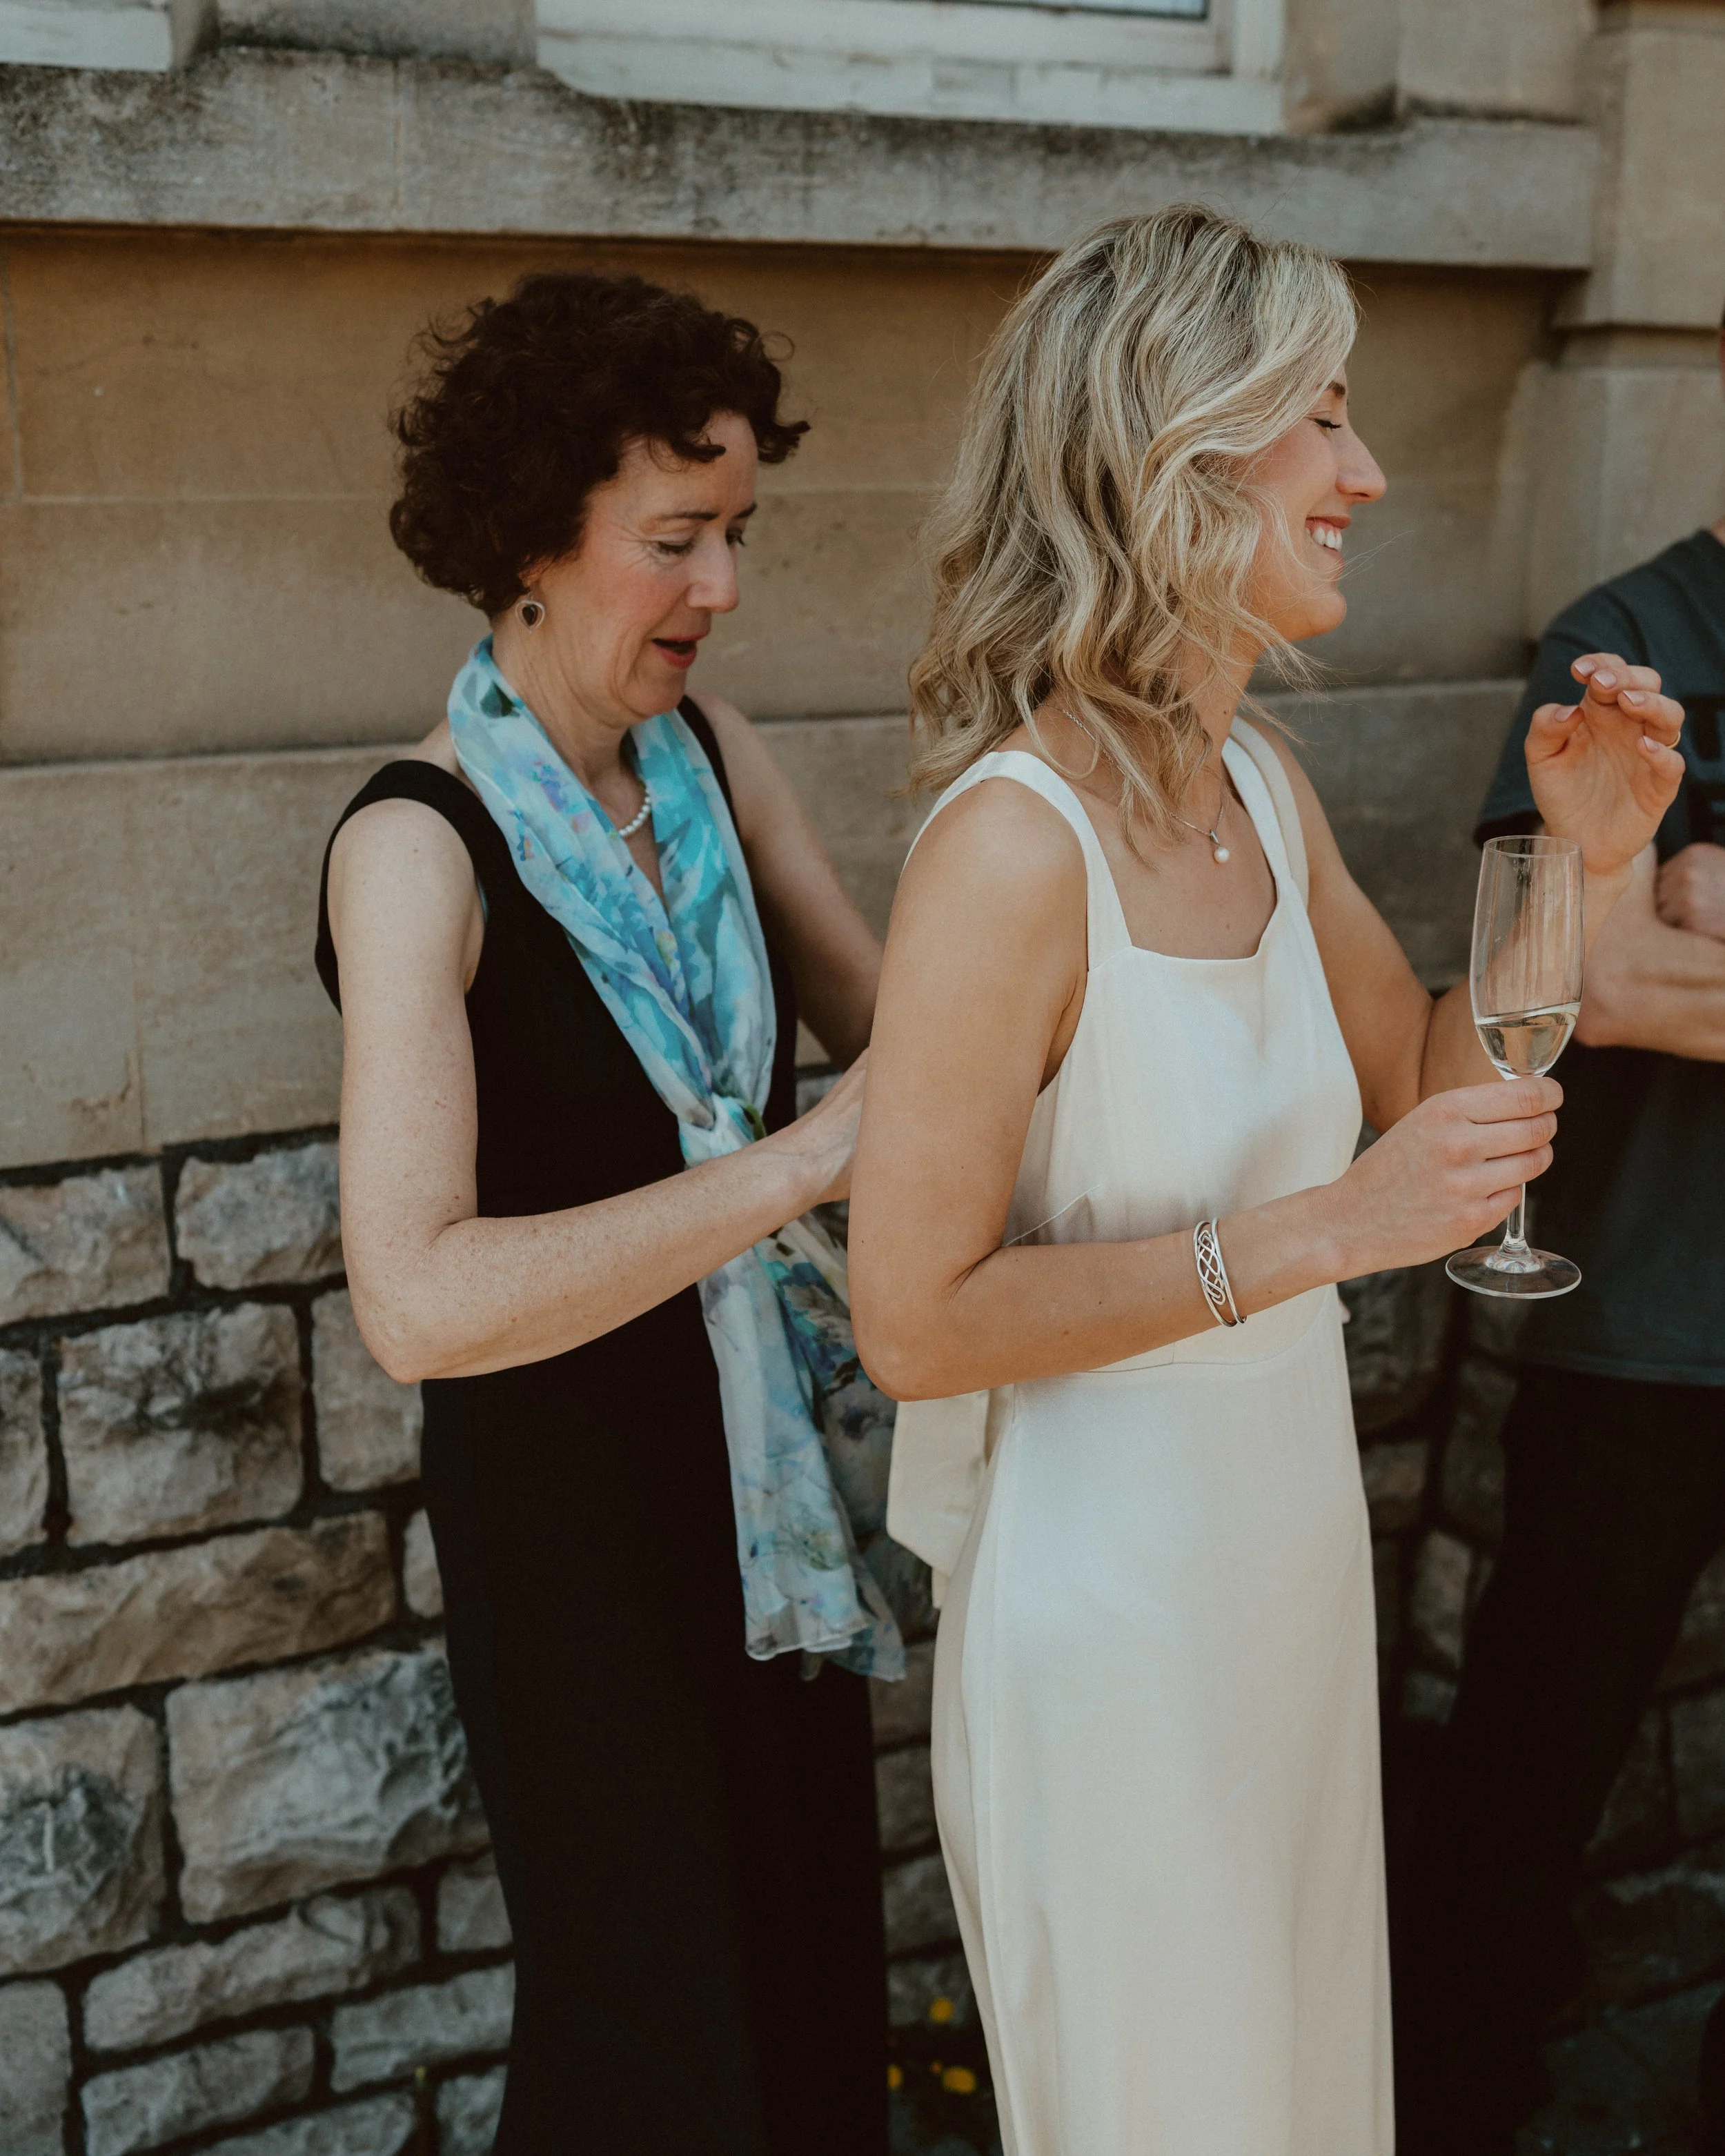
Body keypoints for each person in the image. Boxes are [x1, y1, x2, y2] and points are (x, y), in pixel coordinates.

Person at [845, 206, 1686, 2156]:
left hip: (1281, 1572)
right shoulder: (1006, 846)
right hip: (1111, 1619)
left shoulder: (1257, 790)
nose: (1366, 469)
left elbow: (1419, 1071)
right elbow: (910, 1316)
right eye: (1319, 412)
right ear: (1176, 446)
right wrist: (1325, 1232)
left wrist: (1576, 866)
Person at [315, 271, 898, 2156]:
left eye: (736, 535)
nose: (721, 590)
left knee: (806, 1973)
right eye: (674, 541)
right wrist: (795, 1168)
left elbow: (908, 1046)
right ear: (529, 544)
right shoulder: (413, 849)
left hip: (770, 1499)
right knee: (658, 2029)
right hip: (574, 1532)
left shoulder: (718, 764)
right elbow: (413, 1300)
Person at [1392, 311, 1725, 2156]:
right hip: (1638, 1337)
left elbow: (1673, 951)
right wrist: (1645, 911)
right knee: (1526, 1777)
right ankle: (1445, 2106)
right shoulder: (1630, 635)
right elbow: (1580, 979)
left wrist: (1705, 888)